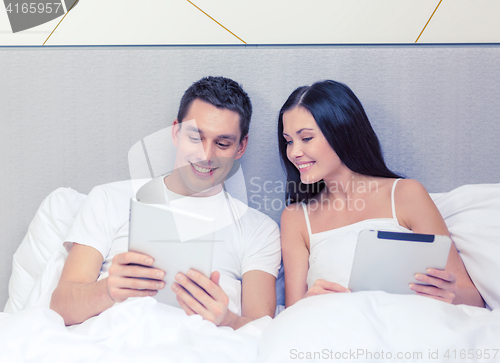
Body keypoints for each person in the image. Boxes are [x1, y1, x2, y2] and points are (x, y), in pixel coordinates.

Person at [50, 76, 281, 329]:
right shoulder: (109, 199)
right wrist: (107, 290)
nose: (206, 155)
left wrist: (226, 320)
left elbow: (262, 331)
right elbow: (60, 307)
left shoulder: (259, 230)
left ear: (240, 147)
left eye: (222, 144)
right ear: (176, 132)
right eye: (195, 138)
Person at [278, 80, 484, 308]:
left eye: (306, 138)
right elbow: (291, 313)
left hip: (409, 328)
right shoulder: (296, 217)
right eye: (288, 141)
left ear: (342, 132)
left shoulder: (406, 195)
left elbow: (472, 298)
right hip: (337, 331)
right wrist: (309, 303)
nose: (294, 152)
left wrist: (448, 295)